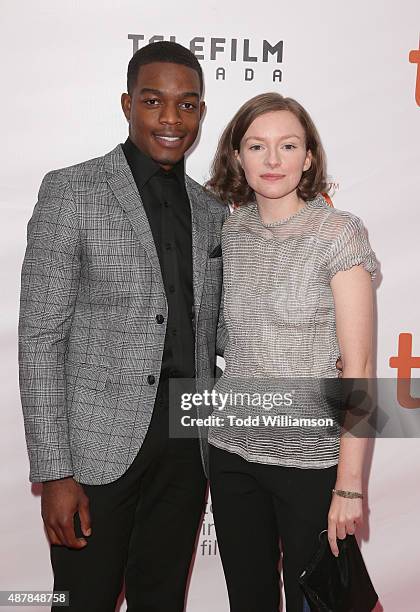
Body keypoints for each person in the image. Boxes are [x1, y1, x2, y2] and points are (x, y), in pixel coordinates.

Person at [18, 41, 227, 612]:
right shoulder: (72, 191)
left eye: (187, 105)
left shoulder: (212, 211)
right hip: (94, 448)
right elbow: (40, 339)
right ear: (127, 104)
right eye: (154, 101)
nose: (170, 118)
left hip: (188, 440)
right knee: (82, 599)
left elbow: (219, 329)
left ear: (201, 115)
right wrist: (54, 472)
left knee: (162, 599)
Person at [206, 92, 377, 612]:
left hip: (312, 462)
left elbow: (361, 368)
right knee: (248, 600)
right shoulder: (229, 232)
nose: (273, 160)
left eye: (288, 146)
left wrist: (348, 486)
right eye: (257, 146)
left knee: (315, 601)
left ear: (309, 157)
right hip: (232, 453)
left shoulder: (337, 234)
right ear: (238, 156)